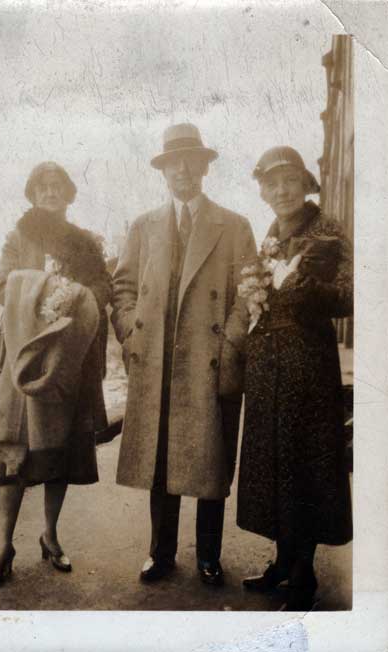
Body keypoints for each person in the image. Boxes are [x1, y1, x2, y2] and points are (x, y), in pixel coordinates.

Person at [111, 123, 257, 586]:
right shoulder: (144, 225)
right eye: (175, 164)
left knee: (211, 463)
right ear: (164, 171)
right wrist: (133, 337)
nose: (183, 171)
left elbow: (247, 294)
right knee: (160, 462)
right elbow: (122, 288)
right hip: (156, 361)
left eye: (192, 162)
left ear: (204, 168)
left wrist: (230, 343)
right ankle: (161, 553)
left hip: (208, 360)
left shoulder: (233, 225)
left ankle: (209, 556)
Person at [0, 161, 111, 589]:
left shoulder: (86, 244)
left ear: (69, 194)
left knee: (60, 454)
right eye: (42, 186)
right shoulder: (20, 236)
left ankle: (50, 535)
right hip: (23, 359)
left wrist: (78, 297)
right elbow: (2, 287)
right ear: (33, 194)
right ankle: (3, 545)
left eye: (58, 187)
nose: (50, 192)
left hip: (66, 360)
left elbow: (102, 289)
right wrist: (42, 287)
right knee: (13, 453)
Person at [236, 146, 353, 610]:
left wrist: (310, 291)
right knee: (273, 464)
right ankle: (282, 562)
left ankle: (303, 576)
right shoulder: (270, 234)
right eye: (272, 183)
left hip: (307, 366)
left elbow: (350, 293)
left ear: (306, 185)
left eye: (290, 181)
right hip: (268, 366)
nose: (281, 190)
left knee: (303, 464)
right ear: (262, 191)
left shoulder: (327, 230)